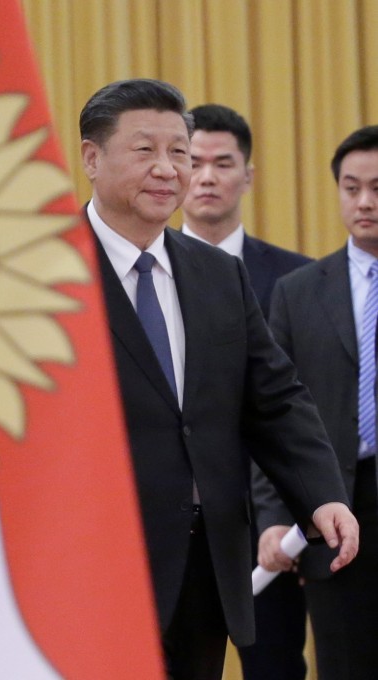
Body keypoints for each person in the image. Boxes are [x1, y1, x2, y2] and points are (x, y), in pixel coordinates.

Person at [79, 78, 358, 680]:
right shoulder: (47, 274)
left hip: (203, 566)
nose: (167, 169)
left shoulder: (217, 275)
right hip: (89, 560)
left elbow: (274, 399)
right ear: (91, 158)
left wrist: (323, 494)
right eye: (145, 150)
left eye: (178, 151)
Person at [180, 103, 311, 680]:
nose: (207, 177)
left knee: (274, 664)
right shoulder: (136, 275)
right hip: (175, 513)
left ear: (248, 176)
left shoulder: (298, 281)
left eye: (223, 163)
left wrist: (300, 512)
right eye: (194, 162)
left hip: (270, 521)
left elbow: (304, 405)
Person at [259, 125, 378, 679]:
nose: (365, 202)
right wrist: (274, 518)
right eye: (352, 188)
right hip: (335, 509)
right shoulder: (298, 291)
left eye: (377, 188)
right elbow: (272, 415)